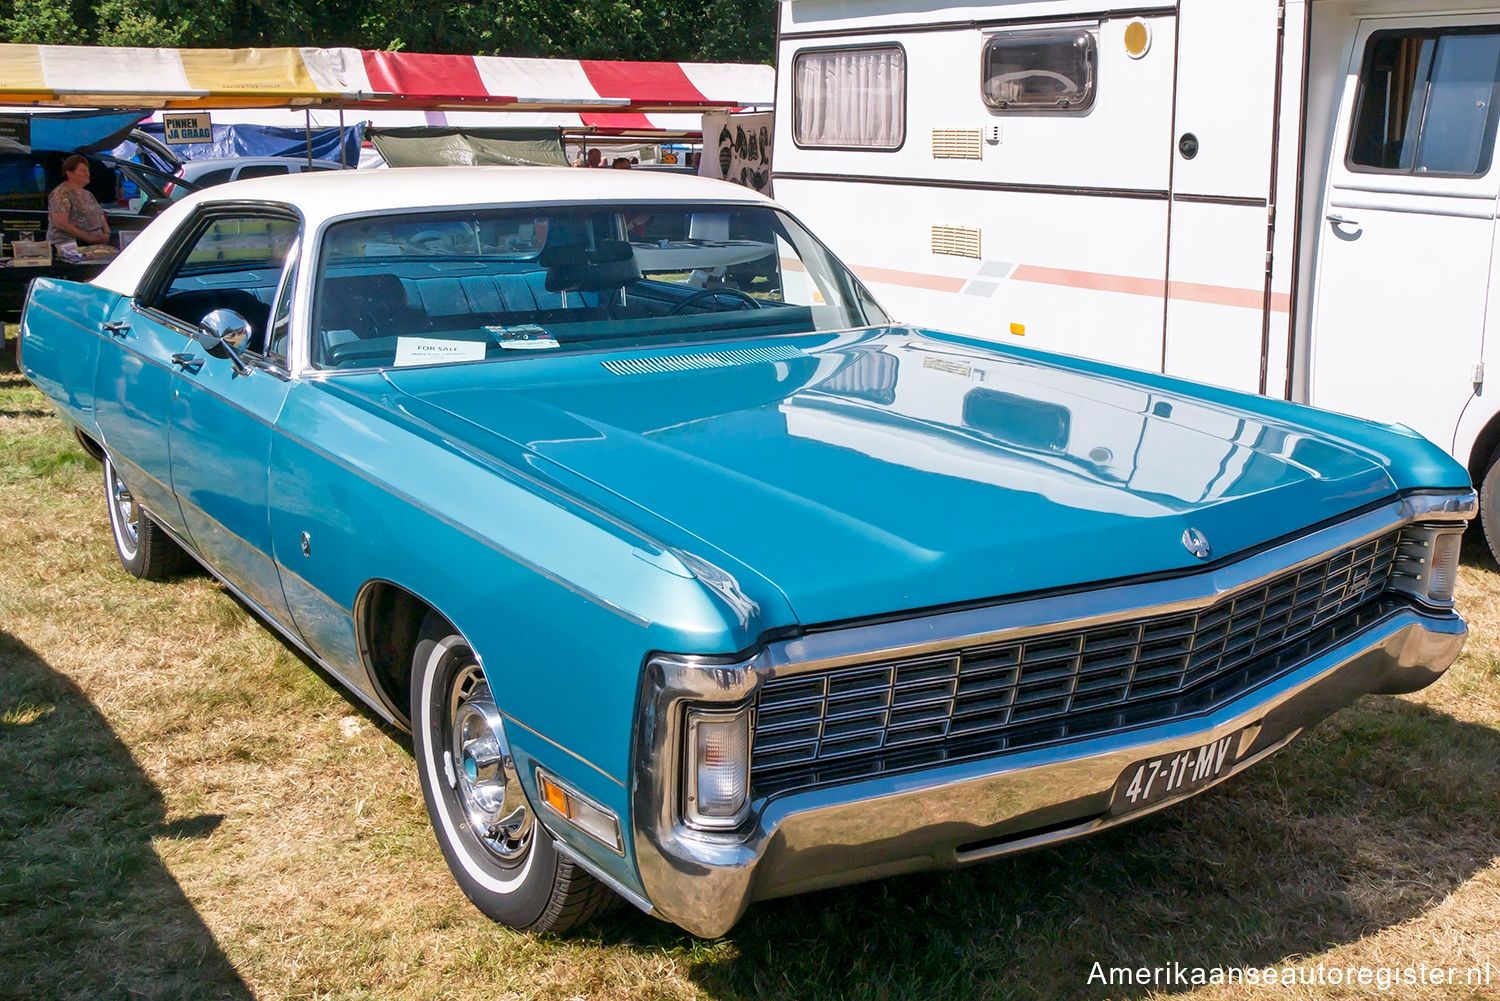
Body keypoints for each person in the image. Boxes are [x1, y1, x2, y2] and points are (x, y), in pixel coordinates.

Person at [47, 155, 110, 247]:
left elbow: (100, 215)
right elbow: (61, 223)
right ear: (69, 173)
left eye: (88, 171)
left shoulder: (88, 194)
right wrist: (88, 238)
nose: (87, 174)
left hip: (94, 245)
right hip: (70, 246)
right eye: (82, 171)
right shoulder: (60, 194)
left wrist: (106, 234)